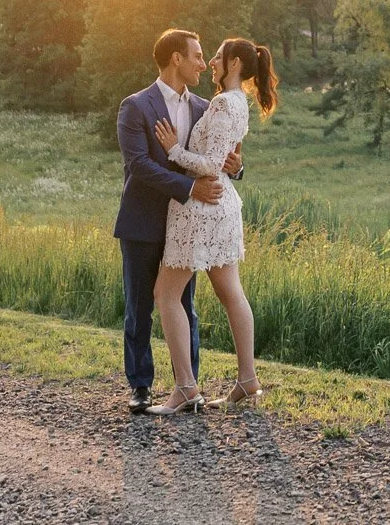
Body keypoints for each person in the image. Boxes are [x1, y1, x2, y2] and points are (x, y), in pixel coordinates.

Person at [112, 29, 243, 414]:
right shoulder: (135, 106)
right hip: (144, 219)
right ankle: (140, 385)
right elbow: (139, 165)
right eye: (198, 56)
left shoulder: (206, 107)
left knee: (184, 304)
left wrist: (236, 168)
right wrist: (189, 188)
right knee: (140, 304)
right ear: (175, 59)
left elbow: (220, 157)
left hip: (187, 222)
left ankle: (189, 385)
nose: (204, 64)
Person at [147, 36, 277, 415]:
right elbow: (226, 160)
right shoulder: (239, 103)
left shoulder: (223, 103)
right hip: (223, 208)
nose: (212, 64)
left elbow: (212, 162)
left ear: (235, 63)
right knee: (230, 292)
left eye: (218, 57)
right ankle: (247, 380)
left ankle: (186, 388)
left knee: (166, 294)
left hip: (203, 209)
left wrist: (173, 150)